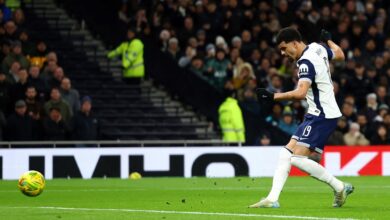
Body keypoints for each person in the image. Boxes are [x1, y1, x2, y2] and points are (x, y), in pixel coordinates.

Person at [250, 27, 354, 208]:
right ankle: (272, 199)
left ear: (295, 43)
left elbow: (301, 93)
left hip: (322, 115)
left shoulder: (305, 62)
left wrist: (273, 96)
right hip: (316, 113)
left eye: (284, 48)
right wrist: (328, 40)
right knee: (285, 153)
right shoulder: (317, 47)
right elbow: (340, 54)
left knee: (297, 159)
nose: (283, 53)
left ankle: (339, 186)